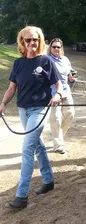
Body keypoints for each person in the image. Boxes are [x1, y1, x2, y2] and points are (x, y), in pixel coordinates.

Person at [0, 26, 63, 210]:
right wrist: (3, 103)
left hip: (40, 110)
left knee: (27, 148)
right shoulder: (18, 64)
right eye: (28, 40)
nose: (32, 43)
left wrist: (57, 95)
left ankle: (21, 196)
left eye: (35, 39)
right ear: (22, 42)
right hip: (22, 110)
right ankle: (49, 180)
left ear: (40, 40)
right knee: (37, 145)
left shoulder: (45, 61)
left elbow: (58, 85)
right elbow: (12, 88)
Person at [47, 38, 75, 154]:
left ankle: (58, 138)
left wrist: (72, 78)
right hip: (53, 93)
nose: (56, 49)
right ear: (50, 48)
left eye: (58, 47)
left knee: (70, 115)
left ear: (61, 48)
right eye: (54, 47)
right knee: (56, 119)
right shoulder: (47, 60)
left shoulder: (65, 60)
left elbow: (70, 73)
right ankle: (58, 145)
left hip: (66, 91)